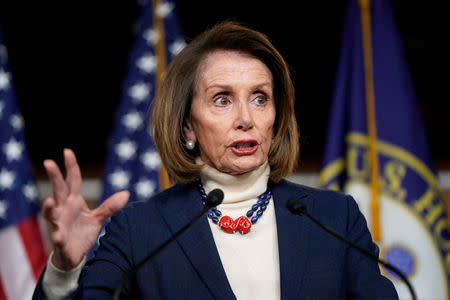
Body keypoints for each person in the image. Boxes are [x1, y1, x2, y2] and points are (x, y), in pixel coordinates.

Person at [33, 21, 398, 299]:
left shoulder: (334, 219)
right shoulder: (140, 231)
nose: (246, 118)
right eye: (222, 99)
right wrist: (65, 270)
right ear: (188, 126)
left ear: (277, 117)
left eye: (260, 98)